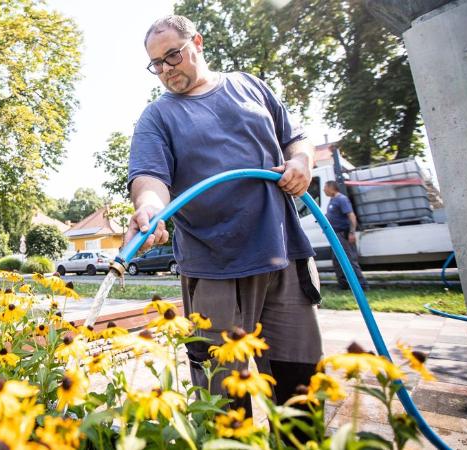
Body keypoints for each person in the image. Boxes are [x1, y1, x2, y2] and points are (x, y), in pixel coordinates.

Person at [125, 15, 323, 413]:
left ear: (197, 42)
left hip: (285, 257)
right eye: (156, 64)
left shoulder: (250, 85)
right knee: (222, 406)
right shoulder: (158, 116)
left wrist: (301, 160)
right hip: (215, 269)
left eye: (172, 56)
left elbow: (296, 138)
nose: (165, 70)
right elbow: (149, 177)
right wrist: (149, 208)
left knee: (300, 394)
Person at [323, 180, 368, 290]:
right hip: (335, 236)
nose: (324, 190)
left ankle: (362, 285)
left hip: (343, 234)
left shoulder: (341, 199)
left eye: (325, 187)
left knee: (349, 260)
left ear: (331, 187)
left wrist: (352, 232)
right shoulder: (333, 200)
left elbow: (351, 216)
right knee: (337, 261)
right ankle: (344, 285)